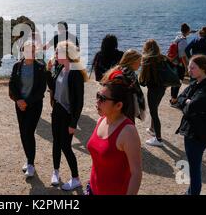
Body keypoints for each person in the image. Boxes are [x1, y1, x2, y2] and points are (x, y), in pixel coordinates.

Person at [87, 79, 142, 195]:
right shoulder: (101, 120)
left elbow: (136, 173)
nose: (97, 101)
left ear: (118, 105)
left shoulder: (128, 131)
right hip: (92, 189)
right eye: (98, 96)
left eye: (102, 99)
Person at [46, 41, 89, 191]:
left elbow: (79, 102)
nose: (55, 54)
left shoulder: (76, 73)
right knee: (56, 143)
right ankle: (56, 172)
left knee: (66, 146)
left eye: (58, 52)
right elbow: (52, 87)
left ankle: (76, 178)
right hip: (56, 111)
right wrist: (48, 71)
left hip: (67, 115)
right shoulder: (60, 68)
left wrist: (73, 123)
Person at [175, 55, 206, 195]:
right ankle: (191, 192)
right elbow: (180, 98)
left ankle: (193, 193)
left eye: (193, 67)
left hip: (198, 133)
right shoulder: (196, 83)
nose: (189, 70)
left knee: (194, 167)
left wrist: (187, 103)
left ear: (203, 68)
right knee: (193, 165)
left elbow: (190, 107)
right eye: (189, 67)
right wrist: (186, 102)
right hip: (193, 130)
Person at [9, 41, 47, 178]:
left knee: (28, 132)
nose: (29, 53)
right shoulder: (17, 66)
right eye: (26, 50)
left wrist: (26, 102)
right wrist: (19, 100)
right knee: (23, 133)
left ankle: (31, 163)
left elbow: (41, 90)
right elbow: (12, 85)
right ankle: (28, 158)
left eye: (31, 50)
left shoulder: (41, 67)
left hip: (34, 105)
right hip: (20, 105)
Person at [102, 49, 146, 122]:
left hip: (117, 106)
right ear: (132, 62)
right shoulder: (129, 75)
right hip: (125, 107)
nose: (140, 64)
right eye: (139, 62)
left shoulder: (118, 69)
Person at [139, 39, 168, 147]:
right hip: (162, 88)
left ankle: (158, 139)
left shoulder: (147, 60)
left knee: (154, 112)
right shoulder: (163, 58)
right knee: (155, 108)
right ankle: (152, 129)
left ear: (146, 48)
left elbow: (142, 81)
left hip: (153, 89)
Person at [169, 23, 191, 108]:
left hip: (174, 63)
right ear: (187, 31)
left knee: (174, 82)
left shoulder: (178, 37)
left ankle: (172, 98)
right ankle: (174, 101)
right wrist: (186, 67)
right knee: (178, 82)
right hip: (180, 65)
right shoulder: (183, 41)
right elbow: (182, 56)